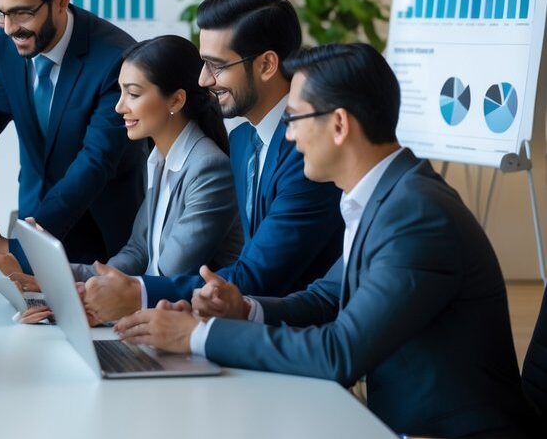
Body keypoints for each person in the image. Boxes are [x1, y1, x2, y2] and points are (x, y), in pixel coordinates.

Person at [115, 43, 537, 439]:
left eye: (294, 120)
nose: (290, 138)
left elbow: (339, 351)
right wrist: (243, 308)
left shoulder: (416, 214)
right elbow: (325, 298)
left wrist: (194, 337)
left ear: (338, 124)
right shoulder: (383, 194)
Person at [0, 35, 243, 324]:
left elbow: (169, 271)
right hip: (151, 316)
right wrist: (52, 281)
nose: (119, 107)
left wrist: (86, 295)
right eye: (120, 92)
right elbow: (137, 251)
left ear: (176, 100)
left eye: (133, 93)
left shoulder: (208, 168)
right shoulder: (158, 159)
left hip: (184, 324)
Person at [136, 0, 342, 308]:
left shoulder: (309, 153)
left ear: (266, 65)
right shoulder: (243, 140)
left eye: (216, 66)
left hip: (293, 334)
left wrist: (138, 293)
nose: (203, 80)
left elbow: (259, 274)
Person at [0, 0, 145, 267]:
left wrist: (27, 238)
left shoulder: (116, 59)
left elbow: (96, 161)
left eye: (22, 12)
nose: (10, 28)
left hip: (101, 235)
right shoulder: (9, 37)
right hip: (34, 218)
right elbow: (2, 103)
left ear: (60, 2)